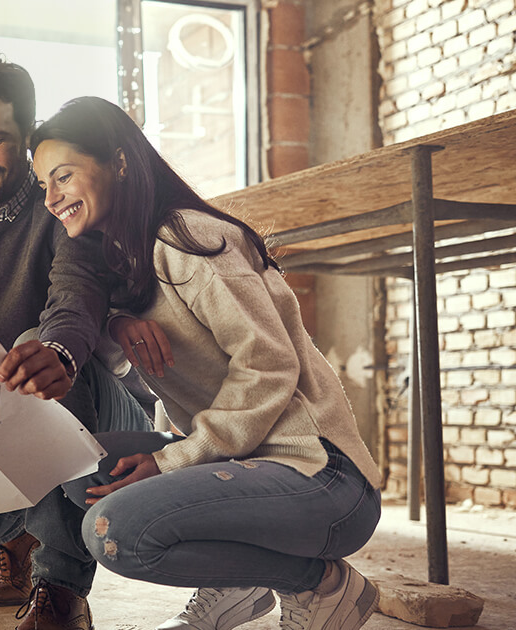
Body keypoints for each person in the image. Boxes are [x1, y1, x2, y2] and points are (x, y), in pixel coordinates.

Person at [28, 96, 384, 630]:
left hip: (321, 478)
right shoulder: (123, 259)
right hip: (241, 466)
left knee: (115, 532)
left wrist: (172, 463)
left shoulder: (188, 241)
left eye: (64, 177)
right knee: (84, 470)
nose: (53, 198)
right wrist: (116, 322)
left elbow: (268, 367)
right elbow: (139, 373)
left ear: (119, 163)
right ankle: (238, 583)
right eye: (43, 186)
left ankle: (321, 585)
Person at [0, 55, 152, 630]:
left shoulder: (62, 209)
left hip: (97, 405)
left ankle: (61, 584)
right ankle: (22, 536)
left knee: (32, 346)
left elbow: (75, 298)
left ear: (27, 137)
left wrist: (58, 352)